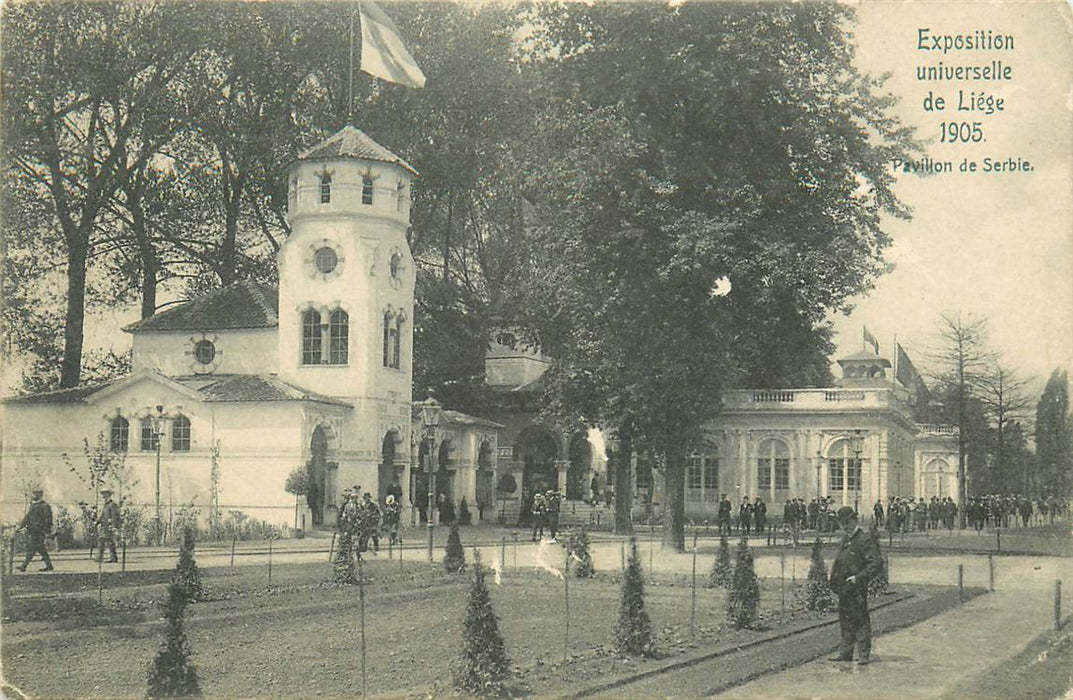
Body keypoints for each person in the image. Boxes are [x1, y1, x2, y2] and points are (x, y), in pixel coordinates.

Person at [828, 506, 883, 665]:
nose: (845, 526)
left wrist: (858, 578)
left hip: (857, 588)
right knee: (845, 620)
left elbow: (875, 563)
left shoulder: (864, 539)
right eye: (842, 523)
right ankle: (845, 653)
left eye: (847, 522)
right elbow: (840, 561)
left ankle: (864, 655)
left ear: (855, 520)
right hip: (844, 588)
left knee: (860, 621)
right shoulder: (846, 539)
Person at [18, 488, 54, 572]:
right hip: (32, 531)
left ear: (41, 494)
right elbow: (27, 518)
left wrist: (46, 532)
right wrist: (20, 527)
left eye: (36, 493)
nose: (34, 495)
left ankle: (24, 566)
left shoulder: (45, 506)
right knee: (40, 549)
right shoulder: (33, 505)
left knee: (33, 548)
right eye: (33, 493)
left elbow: (48, 520)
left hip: (39, 532)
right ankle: (49, 566)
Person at [97, 489, 121, 563]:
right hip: (104, 525)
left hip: (109, 526)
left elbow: (114, 516)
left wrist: (113, 526)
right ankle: (100, 557)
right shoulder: (106, 504)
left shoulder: (112, 504)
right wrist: (97, 522)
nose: (103, 496)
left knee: (109, 541)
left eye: (104, 494)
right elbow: (103, 515)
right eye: (103, 494)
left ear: (108, 495)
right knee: (101, 540)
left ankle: (113, 558)